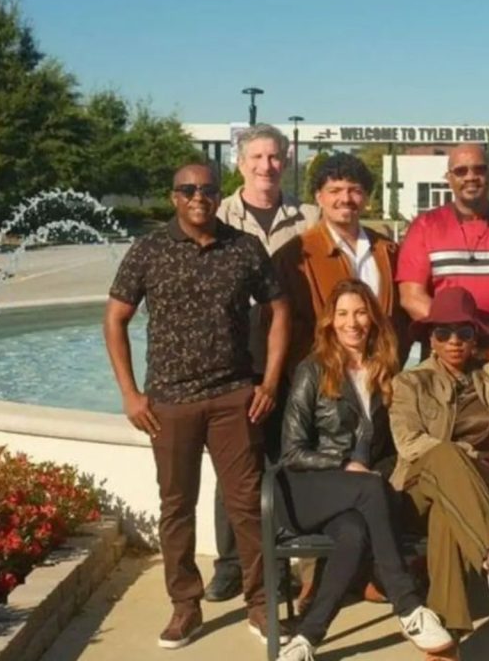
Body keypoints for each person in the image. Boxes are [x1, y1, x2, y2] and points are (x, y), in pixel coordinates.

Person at [103, 163, 290, 648]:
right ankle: (185, 606)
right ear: (174, 197)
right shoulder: (149, 249)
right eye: (188, 189)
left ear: (217, 195)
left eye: (207, 189)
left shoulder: (243, 248)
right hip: (169, 401)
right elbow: (116, 318)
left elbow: (279, 310)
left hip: (233, 397)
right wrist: (129, 392)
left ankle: (260, 602)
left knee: (248, 506)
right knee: (176, 506)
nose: (198, 197)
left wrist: (267, 381)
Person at [275, 279, 453, 661]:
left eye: (359, 312)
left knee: (354, 534)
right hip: (307, 490)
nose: (351, 322)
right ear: (330, 321)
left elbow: (388, 449)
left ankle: (306, 639)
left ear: (372, 319)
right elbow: (291, 452)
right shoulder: (312, 370)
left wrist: (386, 473)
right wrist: (344, 464)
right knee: (371, 489)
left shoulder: (385, 372)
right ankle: (407, 606)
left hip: (356, 501)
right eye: (342, 314)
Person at [389, 287, 489, 657]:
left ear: (475, 336)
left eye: (464, 332)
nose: (454, 342)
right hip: (419, 482)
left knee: (450, 508)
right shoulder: (410, 382)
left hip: (481, 483)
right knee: (446, 459)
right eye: (443, 333)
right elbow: (409, 443)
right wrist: (460, 453)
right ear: (431, 338)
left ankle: (446, 640)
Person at [208, 123, 319, 603]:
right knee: (237, 463)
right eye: (256, 157)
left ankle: (285, 560)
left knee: (288, 458)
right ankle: (231, 564)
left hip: (297, 358)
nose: (265, 166)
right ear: (240, 162)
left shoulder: (310, 217)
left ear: (286, 161)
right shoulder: (216, 215)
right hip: (235, 360)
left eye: (274, 157)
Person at [274, 152, 411, 371]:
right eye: (334, 191)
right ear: (319, 197)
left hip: (382, 380)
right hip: (324, 384)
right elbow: (279, 326)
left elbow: (402, 322)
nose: (345, 199)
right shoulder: (294, 256)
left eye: (355, 190)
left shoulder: (389, 252)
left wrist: (392, 364)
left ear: (366, 197)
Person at [396, 142, 489, 326]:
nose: (471, 177)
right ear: (449, 178)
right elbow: (411, 297)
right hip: (447, 345)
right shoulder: (424, 227)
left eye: (479, 169)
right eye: (461, 171)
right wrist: (458, 333)